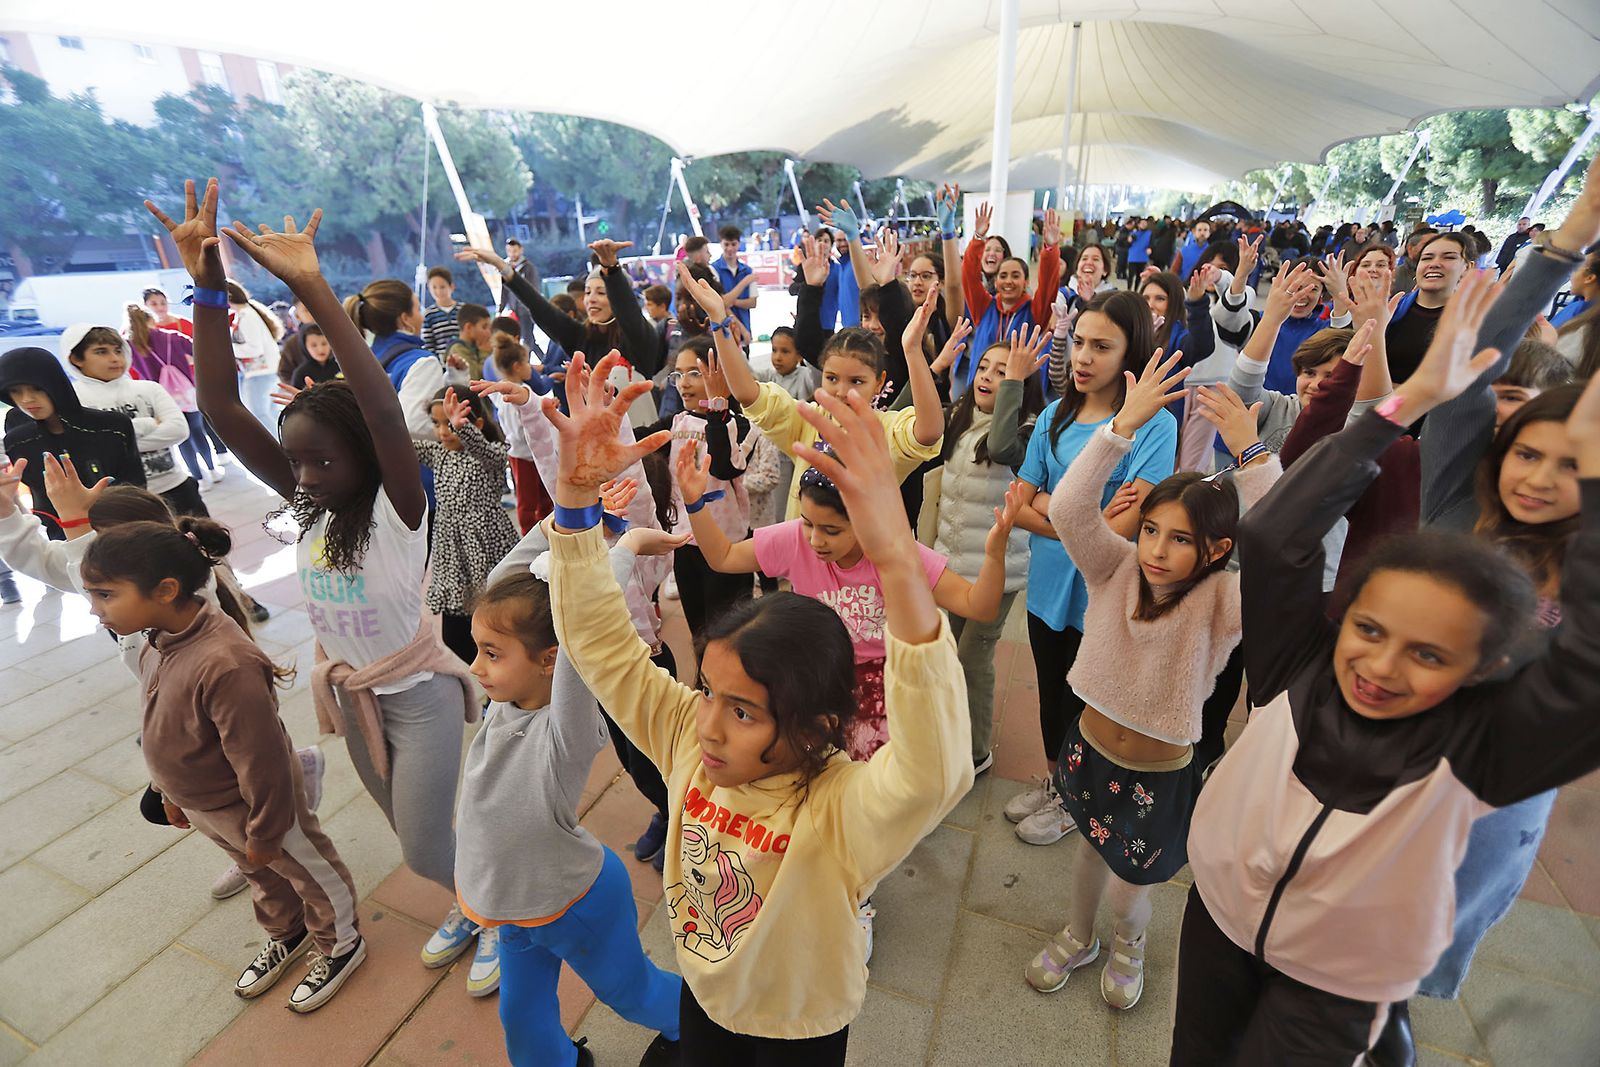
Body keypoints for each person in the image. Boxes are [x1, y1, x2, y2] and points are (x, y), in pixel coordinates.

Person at [1171, 270, 1600, 1063]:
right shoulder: (1301, 660)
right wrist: (1404, 401)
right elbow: (1275, 533)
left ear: (1483, 667)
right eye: (1369, 627)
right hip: (1220, 920)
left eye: (1429, 653)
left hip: (1337, 981)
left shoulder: (1475, 746)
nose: (1382, 663)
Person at [542, 350, 972, 1065]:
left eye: (744, 712)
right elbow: (601, 648)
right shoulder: (688, 735)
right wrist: (575, 500)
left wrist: (898, 560)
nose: (708, 725)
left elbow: (932, 771)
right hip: (705, 995)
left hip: (796, 1030)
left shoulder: (836, 809)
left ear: (816, 728)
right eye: (710, 691)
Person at [146, 179, 488, 994]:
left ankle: (501, 911)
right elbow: (219, 405)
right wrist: (207, 289)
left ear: (366, 456)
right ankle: (475, 895)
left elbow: (379, 407)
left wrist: (312, 286)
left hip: (418, 695)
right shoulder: (311, 505)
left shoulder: (400, 506)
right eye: (295, 461)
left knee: (421, 847)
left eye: (321, 460)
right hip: (353, 693)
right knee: (415, 830)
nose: (302, 475)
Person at [1025, 355, 1279, 1013]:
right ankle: (1079, 935)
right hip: (1088, 752)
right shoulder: (1115, 568)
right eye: (1151, 530)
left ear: (1217, 550)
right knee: (1088, 853)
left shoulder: (1223, 602)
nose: (1158, 550)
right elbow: (1072, 509)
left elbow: (1283, 560)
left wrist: (1253, 460)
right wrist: (1120, 429)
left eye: (1180, 539)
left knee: (1130, 882)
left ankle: (1128, 944)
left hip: (1158, 774)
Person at [79, 517, 365, 1012]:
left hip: (258, 808)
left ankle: (341, 943)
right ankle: (288, 931)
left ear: (166, 590)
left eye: (105, 595)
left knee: (308, 871)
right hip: (206, 806)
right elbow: (161, 724)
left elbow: (262, 761)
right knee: (261, 876)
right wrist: (168, 793)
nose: (94, 609)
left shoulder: (224, 662)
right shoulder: (155, 641)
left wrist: (267, 831)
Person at [457, 569, 683, 1064]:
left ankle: (702, 1032)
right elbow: (507, 579)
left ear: (550, 661)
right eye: (479, 650)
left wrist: (618, 553)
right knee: (521, 1016)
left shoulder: (565, 733)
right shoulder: (507, 702)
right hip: (518, 905)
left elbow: (584, 610)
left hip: (573, 902)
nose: (475, 667)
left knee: (632, 994)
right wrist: (548, 531)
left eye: (491, 654)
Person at [1007, 290, 1177, 847]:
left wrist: (1052, 509)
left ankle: (1075, 801)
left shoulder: (1155, 426)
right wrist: (1084, 518)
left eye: (1101, 346)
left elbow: (1129, 525)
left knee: (1087, 705)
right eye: (1079, 342)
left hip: (1103, 594)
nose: (1082, 357)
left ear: (1131, 353)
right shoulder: (1055, 415)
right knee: (1048, 693)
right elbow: (1018, 502)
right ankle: (1056, 783)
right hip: (1046, 584)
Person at [682, 250, 944, 521]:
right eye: (832, 378)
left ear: (879, 383)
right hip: (805, 547)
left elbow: (929, 432)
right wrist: (719, 320)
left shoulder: (886, 429)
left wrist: (913, 351)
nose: (842, 391)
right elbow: (748, 394)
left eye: (856, 381)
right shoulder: (808, 422)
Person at [921, 328, 1047, 771]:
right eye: (984, 368)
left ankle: (976, 752)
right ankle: (948, 734)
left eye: (1003, 372)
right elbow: (908, 422)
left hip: (998, 572)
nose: (988, 377)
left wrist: (1014, 383)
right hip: (952, 563)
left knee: (973, 659)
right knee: (948, 654)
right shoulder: (959, 415)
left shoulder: (1030, 430)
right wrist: (931, 367)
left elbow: (1000, 447)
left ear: (1020, 384)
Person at [415, 387, 520, 665]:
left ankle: (511, 677)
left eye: (450, 425)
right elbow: (398, 444)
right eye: (437, 423)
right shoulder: (439, 454)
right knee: (454, 635)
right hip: (453, 556)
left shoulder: (492, 455)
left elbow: (487, 452)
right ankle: (495, 674)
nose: (443, 432)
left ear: (478, 424)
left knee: (496, 625)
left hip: (486, 550)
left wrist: (462, 429)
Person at [0, 345, 144, 537]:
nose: (26, 399)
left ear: (55, 384)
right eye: (15, 391)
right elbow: (40, 498)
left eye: (37, 388)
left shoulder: (112, 427)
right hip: (62, 537)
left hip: (123, 531)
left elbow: (135, 485)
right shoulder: (17, 441)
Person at [61, 323, 200, 517]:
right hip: (122, 499)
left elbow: (179, 430)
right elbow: (91, 448)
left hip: (176, 486)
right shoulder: (72, 401)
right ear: (76, 359)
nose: (114, 358)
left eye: (118, 350)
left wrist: (114, 441)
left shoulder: (149, 388)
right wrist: (149, 424)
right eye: (101, 352)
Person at [955, 204, 1062, 399]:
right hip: (980, 392)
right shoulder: (984, 307)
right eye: (1003, 276)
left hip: (1018, 396)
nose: (1009, 281)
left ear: (1026, 282)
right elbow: (968, 275)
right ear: (996, 282)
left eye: (1015, 275)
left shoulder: (1034, 312)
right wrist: (978, 239)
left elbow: (1048, 283)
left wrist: (1050, 248)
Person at [124, 303, 221, 487]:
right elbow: (201, 351)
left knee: (181, 438)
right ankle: (213, 470)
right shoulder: (172, 337)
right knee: (197, 431)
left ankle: (199, 479)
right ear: (151, 319)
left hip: (158, 397)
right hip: (185, 393)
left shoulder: (129, 347)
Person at [1386, 232, 1473, 384]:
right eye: (1427, 258)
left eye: (1449, 257)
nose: (1434, 264)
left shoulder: (1471, 321)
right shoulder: (1391, 310)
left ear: (1467, 267)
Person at [489, 335, 551, 533]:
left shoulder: (520, 389)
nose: (530, 368)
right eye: (527, 362)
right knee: (527, 500)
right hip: (523, 455)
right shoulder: (511, 395)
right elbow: (517, 431)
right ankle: (528, 534)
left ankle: (548, 527)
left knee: (545, 493)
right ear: (517, 366)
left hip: (533, 453)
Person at [226, 280, 285, 433]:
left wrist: (228, 348)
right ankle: (284, 443)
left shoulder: (247, 316)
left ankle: (279, 445)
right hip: (264, 370)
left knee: (259, 414)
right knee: (270, 413)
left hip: (260, 372)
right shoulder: (246, 313)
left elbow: (254, 349)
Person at [713, 225, 758, 338]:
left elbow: (752, 303)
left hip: (745, 329)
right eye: (726, 244)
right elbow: (720, 304)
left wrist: (731, 301)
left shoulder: (747, 270)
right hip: (723, 332)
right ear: (721, 244)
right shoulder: (713, 269)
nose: (730, 248)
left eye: (733, 244)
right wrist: (745, 282)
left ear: (739, 244)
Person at [496, 238, 543, 348]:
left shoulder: (528, 268)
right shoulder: (505, 268)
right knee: (527, 338)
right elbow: (504, 290)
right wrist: (500, 309)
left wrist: (534, 307)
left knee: (527, 339)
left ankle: (527, 358)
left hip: (526, 309)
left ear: (521, 250)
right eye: (509, 251)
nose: (512, 254)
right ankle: (542, 357)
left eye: (515, 251)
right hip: (513, 309)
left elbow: (534, 289)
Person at [445, 303, 494, 380]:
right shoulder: (457, 349)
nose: (489, 332)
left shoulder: (477, 345)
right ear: (469, 327)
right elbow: (474, 379)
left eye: (489, 328)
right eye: (484, 327)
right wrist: (484, 352)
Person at [422, 266, 462, 357]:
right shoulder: (428, 314)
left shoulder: (463, 310)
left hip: (464, 358)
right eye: (434, 287)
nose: (438, 291)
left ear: (452, 287)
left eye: (442, 287)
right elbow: (428, 345)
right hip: (441, 361)